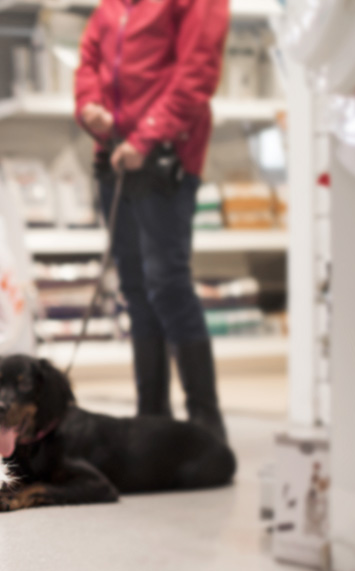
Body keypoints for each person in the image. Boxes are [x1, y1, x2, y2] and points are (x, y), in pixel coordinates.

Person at [74, 0, 229, 441]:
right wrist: (90, 108)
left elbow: (197, 71)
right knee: (135, 287)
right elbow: (88, 63)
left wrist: (148, 135)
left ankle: (206, 424)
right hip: (115, 159)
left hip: (166, 159)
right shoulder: (111, 7)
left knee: (168, 283)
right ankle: (152, 420)